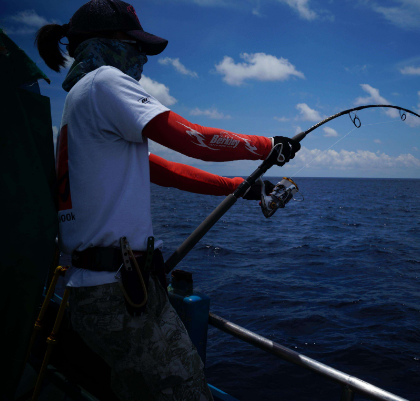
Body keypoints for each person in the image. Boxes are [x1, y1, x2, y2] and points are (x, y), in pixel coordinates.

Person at [34, 0, 300, 400]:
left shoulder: (78, 102)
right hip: (120, 294)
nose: (142, 56)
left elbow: (162, 170)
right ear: (108, 41)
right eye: (136, 44)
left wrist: (239, 186)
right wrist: (267, 146)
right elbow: (189, 137)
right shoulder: (105, 82)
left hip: (92, 293)